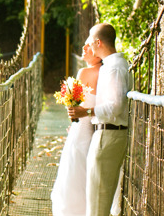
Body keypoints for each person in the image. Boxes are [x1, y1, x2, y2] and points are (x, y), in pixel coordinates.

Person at [68, 23, 132, 216]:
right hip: (106, 134)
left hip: (108, 135)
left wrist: (86, 112)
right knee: (98, 199)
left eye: (90, 41)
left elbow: (116, 106)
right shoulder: (111, 66)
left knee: (97, 203)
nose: (88, 45)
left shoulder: (114, 68)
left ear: (98, 42)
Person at [50, 39, 101, 216]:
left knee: (72, 178)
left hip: (80, 132)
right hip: (98, 132)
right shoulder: (105, 72)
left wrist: (69, 105)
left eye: (89, 45)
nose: (84, 47)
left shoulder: (84, 72)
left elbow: (73, 110)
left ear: (98, 50)